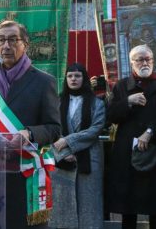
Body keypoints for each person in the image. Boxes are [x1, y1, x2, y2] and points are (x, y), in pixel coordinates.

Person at [0, 20, 60, 229]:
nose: (6, 46)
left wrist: (29, 133)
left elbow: (54, 128)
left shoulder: (44, 81)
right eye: (1, 40)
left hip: (25, 174)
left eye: (13, 40)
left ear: (25, 43)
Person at [106, 44, 156, 229]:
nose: (145, 62)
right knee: (128, 206)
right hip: (127, 153)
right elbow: (110, 116)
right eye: (140, 59)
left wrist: (150, 132)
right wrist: (127, 102)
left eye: (148, 59)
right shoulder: (121, 86)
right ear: (132, 63)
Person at [49, 63, 105, 229]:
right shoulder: (56, 102)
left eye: (78, 76)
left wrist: (68, 142)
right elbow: (52, 128)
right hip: (61, 158)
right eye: (70, 76)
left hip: (89, 159)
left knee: (90, 204)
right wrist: (65, 152)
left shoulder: (97, 103)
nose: (73, 79)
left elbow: (95, 130)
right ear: (66, 79)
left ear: (84, 79)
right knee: (63, 204)